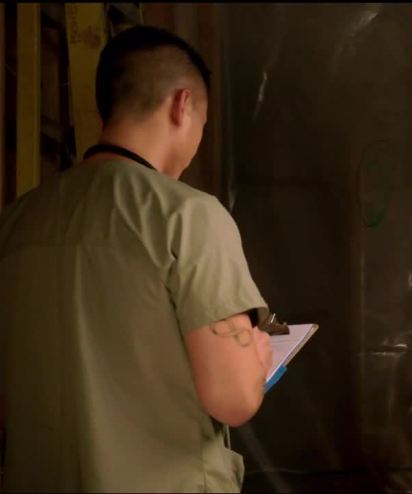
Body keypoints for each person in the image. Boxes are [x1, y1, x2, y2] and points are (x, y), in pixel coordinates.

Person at [0, 25, 273, 492]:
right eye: (203, 125)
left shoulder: (16, 220)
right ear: (183, 105)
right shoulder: (188, 215)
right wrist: (258, 357)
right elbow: (233, 398)